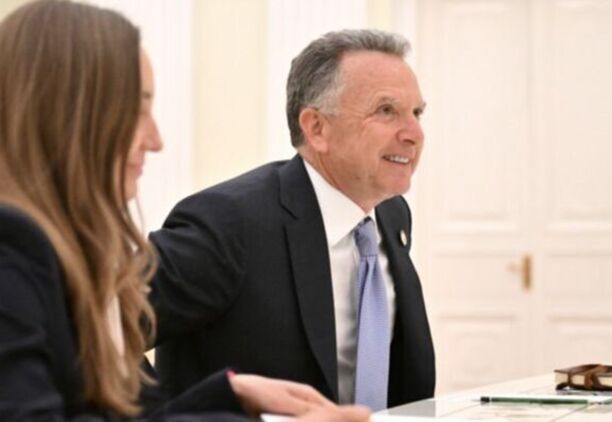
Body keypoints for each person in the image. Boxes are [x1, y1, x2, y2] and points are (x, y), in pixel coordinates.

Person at [0, 1, 369, 421]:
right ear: (69, 115)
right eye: (136, 110)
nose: (156, 140)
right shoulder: (12, 245)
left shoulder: (69, 249)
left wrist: (230, 394)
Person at [150, 29, 435, 411]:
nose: (414, 134)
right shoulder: (227, 223)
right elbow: (94, 329)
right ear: (317, 128)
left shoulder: (392, 215)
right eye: (386, 111)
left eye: (417, 113)